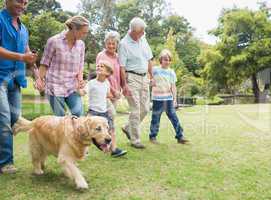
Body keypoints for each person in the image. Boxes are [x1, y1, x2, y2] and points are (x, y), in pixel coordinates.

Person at [0, 0, 38, 174]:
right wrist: (22, 57)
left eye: (25, 2)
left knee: (15, 119)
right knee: (4, 119)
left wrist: (36, 73)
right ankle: (6, 162)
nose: (22, 5)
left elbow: (28, 53)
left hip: (16, 80)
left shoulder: (24, 29)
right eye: (18, 1)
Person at [35, 16, 89, 117]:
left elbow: (80, 65)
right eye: (83, 32)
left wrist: (80, 80)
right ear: (73, 28)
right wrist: (39, 79)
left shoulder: (81, 45)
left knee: (79, 114)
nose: (84, 35)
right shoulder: (54, 41)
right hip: (54, 86)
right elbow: (44, 63)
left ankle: (73, 132)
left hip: (72, 86)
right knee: (60, 118)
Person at [118, 17, 153, 149]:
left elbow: (149, 58)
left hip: (144, 78)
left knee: (145, 108)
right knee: (135, 109)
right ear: (133, 31)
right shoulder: (124, 44)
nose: (143, 34)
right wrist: (124, 85)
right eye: (141, 32)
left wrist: (152, 76)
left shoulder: (143, 39)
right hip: (131, 78)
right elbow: (122, 67)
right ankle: (135, 140)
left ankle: (128, 127)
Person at [82, 60, 127, 157]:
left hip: (104, 112)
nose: (98, 67)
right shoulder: (91, 83)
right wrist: (79, 90)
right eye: (98, 66)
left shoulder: (106, 83)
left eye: (102, 66)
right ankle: (84, 150)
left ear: (108, 73)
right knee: (87, 132)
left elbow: (107, 95)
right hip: (93, 112)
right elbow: (83, 92)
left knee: (111, 130)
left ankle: (114, 150)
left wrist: (116, 96)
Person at [149, 49, 189, 144]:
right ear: (161, 60)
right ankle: (153, 136)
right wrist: (150, 81)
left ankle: (180, 136)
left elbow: (173, 87)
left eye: (169, 60)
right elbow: (149, 76)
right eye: (165, 59)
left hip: (168, 99)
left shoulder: (171, 72)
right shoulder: (155, 70)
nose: (167, 62)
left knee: (174, 117)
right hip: (157, 99)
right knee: (156, 117)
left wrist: (175, 99)